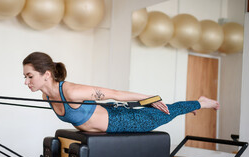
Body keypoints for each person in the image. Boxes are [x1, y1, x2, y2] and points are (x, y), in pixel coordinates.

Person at [22, 52, 219, 133]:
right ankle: (193, 105)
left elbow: (114, 93)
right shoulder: (46, 95)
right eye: (25, 77)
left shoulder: (71, 92)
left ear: (47, 74)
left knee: (165, 113)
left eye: (30, 76)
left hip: (121, 120)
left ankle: (202, 102)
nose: (26, 81)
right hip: (108, 118)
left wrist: (149, 99)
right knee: (169, 112)